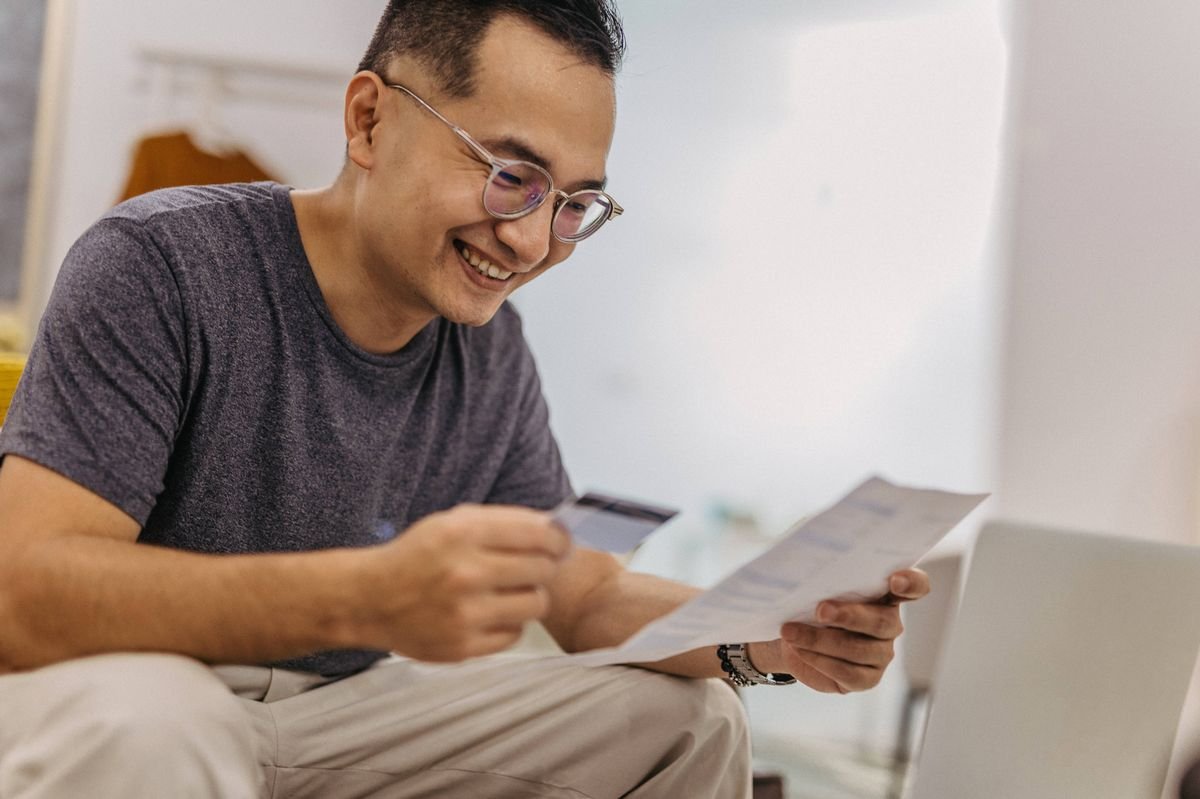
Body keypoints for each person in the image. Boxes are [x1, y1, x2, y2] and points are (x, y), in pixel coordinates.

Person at [0, 2, 930, 797]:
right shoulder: (161, 265)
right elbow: (23, 589)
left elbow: (583, 590)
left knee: (689, 716)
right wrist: (367, 597)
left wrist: (775, 634)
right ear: (368, 121)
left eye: (574, 205)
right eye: (512, 175)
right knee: (158, 726)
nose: (532, 243)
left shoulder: (487, 353)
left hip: (337, 715)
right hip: (134, 690)